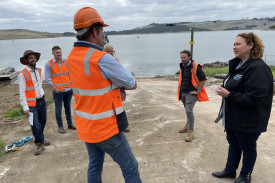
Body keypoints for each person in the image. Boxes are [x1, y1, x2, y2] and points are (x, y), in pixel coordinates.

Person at [67, 7, 142, 183]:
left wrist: (113, 84)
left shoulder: (71, 57)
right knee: (130, 166)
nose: (103, 36)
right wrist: (118, 85)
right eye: (102, 32)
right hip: (106, 127)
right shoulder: (102, 58)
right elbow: (131, 83)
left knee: (94, 165)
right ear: (95, 31)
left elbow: (91, 82)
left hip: (86, 124)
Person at [212, 32, 273, 183]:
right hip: (234, 117)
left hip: (249, 120)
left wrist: (228, 95)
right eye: (234, 44)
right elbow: (235, 86)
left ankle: (245, 175)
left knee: (248, 147)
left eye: (238, 44)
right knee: (234, 144)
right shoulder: (239, 65)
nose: (234, 47)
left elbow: (255, 98)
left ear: (251, 46)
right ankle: (230, 170)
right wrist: (225, 88)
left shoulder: (258, 68)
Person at [18, 50, 50, 155]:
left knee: (43, 121)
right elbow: (22, 92)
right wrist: (25, 107)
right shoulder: (22, 74)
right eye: (31, 58)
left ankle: (41, 139)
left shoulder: (38, 71)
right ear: (26, 60)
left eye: (34, 58)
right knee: (35, 124)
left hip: (42, 100)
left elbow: (38, 86)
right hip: (31, 104)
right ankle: (39, 143)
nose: (33, 60)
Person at [177, 50, 209, 142]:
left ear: (189, 57)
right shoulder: (181, 66)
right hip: (183, 93)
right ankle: (187, 126)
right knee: (187, 111)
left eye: (184, 57)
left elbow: (203, 79)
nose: (182, 59)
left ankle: (191, 132)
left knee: (188, 111)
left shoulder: (196, 66)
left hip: (191, 94)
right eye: (181, 57)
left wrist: (198, 90)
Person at [45, 46, 76, 134]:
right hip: (58, 91)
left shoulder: (66, 62)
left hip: (68, 90)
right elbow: (48, 79)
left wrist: (72, 86)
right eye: (56, 53)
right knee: (58, 109)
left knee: (68, 107)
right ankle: (60, 126)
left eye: (59, 52)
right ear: (53, 53)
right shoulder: (48, 64)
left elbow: (71, 75)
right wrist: (55, 88)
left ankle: (70, 124)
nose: (59, 54)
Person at [103, 43, 129, 132]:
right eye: (108, 51)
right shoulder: (101, 62)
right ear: (103, 52)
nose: (110, 53)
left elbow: (120, 77)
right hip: (107, 92)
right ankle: (112, 128)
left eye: (112, 51)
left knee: (119, 109)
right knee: (109, 112)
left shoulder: (116, 60)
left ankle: (122, 127)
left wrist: (123, 90)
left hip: (117, 91)